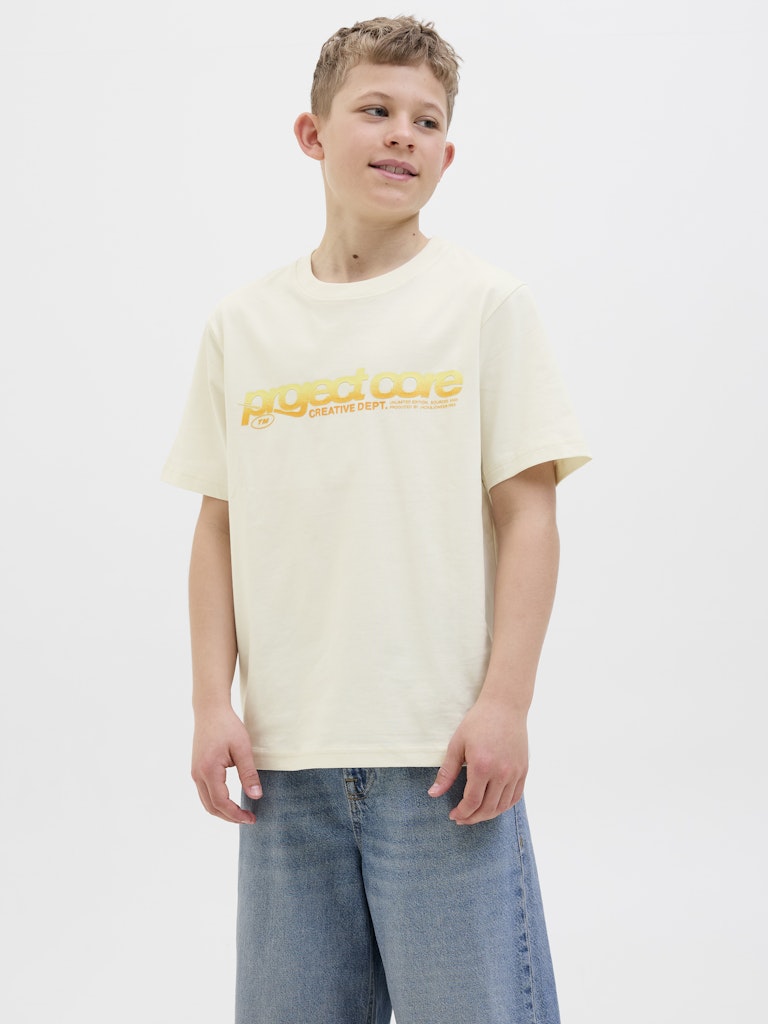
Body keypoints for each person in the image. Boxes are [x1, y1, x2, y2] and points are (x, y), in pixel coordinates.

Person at [163, 15, 590, 1024]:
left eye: (427, 120)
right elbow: (218, 527)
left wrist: (506, 704)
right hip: (284, 765)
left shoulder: (484, 306)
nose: (404, 133)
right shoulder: (243, 326)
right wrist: (211, 704)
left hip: (441, 758)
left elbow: (530, 516)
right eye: (377, 109)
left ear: (448, 153)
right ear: (312, 134)